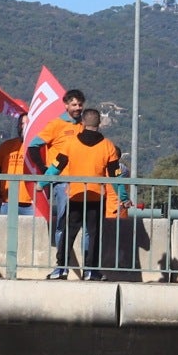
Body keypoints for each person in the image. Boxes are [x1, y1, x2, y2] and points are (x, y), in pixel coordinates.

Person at [51, 108, 125, 279]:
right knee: (94, 234)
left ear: (82, 123)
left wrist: (41, 183)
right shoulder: (108, 146)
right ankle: (90, 271)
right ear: (99, 124)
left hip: (75, 194)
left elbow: (56, 167)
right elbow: (116, 176)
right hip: (96, 196)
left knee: (69, 233)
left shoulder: (70, 143)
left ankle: (61, 268)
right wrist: (124, 197)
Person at [30, 87, 88, 277]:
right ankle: (61, 266)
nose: (77, 107)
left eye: (80, 104)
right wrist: (45, 170)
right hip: (63, 183)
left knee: (86, 226)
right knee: (62, 222)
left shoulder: (84, 125)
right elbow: (34, 145)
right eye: (74, 104)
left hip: (84, 183)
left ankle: (88, 269)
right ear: (66, 105)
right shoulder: (56, 124)